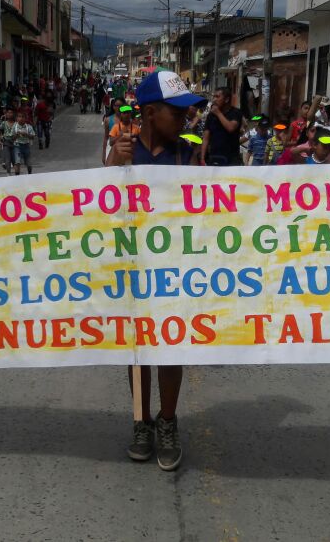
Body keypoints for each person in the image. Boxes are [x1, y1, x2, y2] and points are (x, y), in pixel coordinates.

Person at [106, 70, 203, 472]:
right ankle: (141, 421)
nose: (184, 119)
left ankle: (168, 421)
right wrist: (114, 163)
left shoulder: (186, 154)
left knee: (170, 348)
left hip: (172, 270)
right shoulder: (123, 151)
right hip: (133, 269)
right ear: (149, 113)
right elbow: (97, 207)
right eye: (175, 112)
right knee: (138, 351)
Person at [202, 87, 244, 166]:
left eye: (217, 97)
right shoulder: (211, 116)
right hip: (214, 158)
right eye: (214, 97)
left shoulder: (235, 113)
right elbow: (206, 138)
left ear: (226, 99)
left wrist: (218, 113)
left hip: (231, 160)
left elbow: (230, 128)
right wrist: (202, 158)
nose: (214, 100)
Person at [9, 110, 36, 175]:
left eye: (23, 117)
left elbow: (32, 137)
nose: (21, 118)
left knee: (28, 163)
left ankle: (30, 173)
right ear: (17, 118)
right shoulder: (14, 127)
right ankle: (17, 175)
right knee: (17, 162)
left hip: (26, 145)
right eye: (19, 116)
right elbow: (11, 138)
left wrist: (26, 134)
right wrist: (16, 135)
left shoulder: (28, 127)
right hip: (17, 146)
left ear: (25, 118)